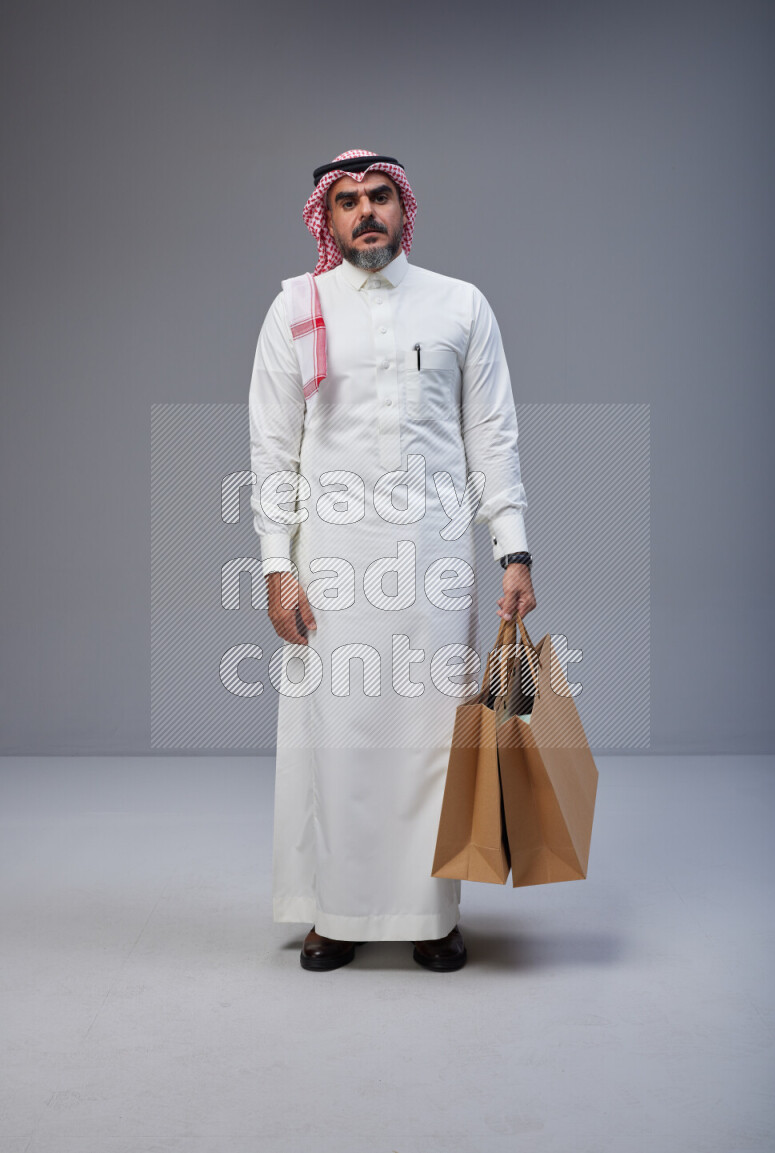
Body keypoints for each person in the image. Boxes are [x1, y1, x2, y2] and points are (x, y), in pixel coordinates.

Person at [249, 150, 536, 972]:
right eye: (347, 201)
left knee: (435, 736)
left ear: (404, 209)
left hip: (435, 556)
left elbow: (494, 437)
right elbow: (273, 451)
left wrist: (512, 549)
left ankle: (431, 914)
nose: (365, 212)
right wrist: (277, 565)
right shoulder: (296, 308)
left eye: (379, 196)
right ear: (326, 218)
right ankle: (335, 912)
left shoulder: (459, 305)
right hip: (332, 559)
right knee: (337, 734)